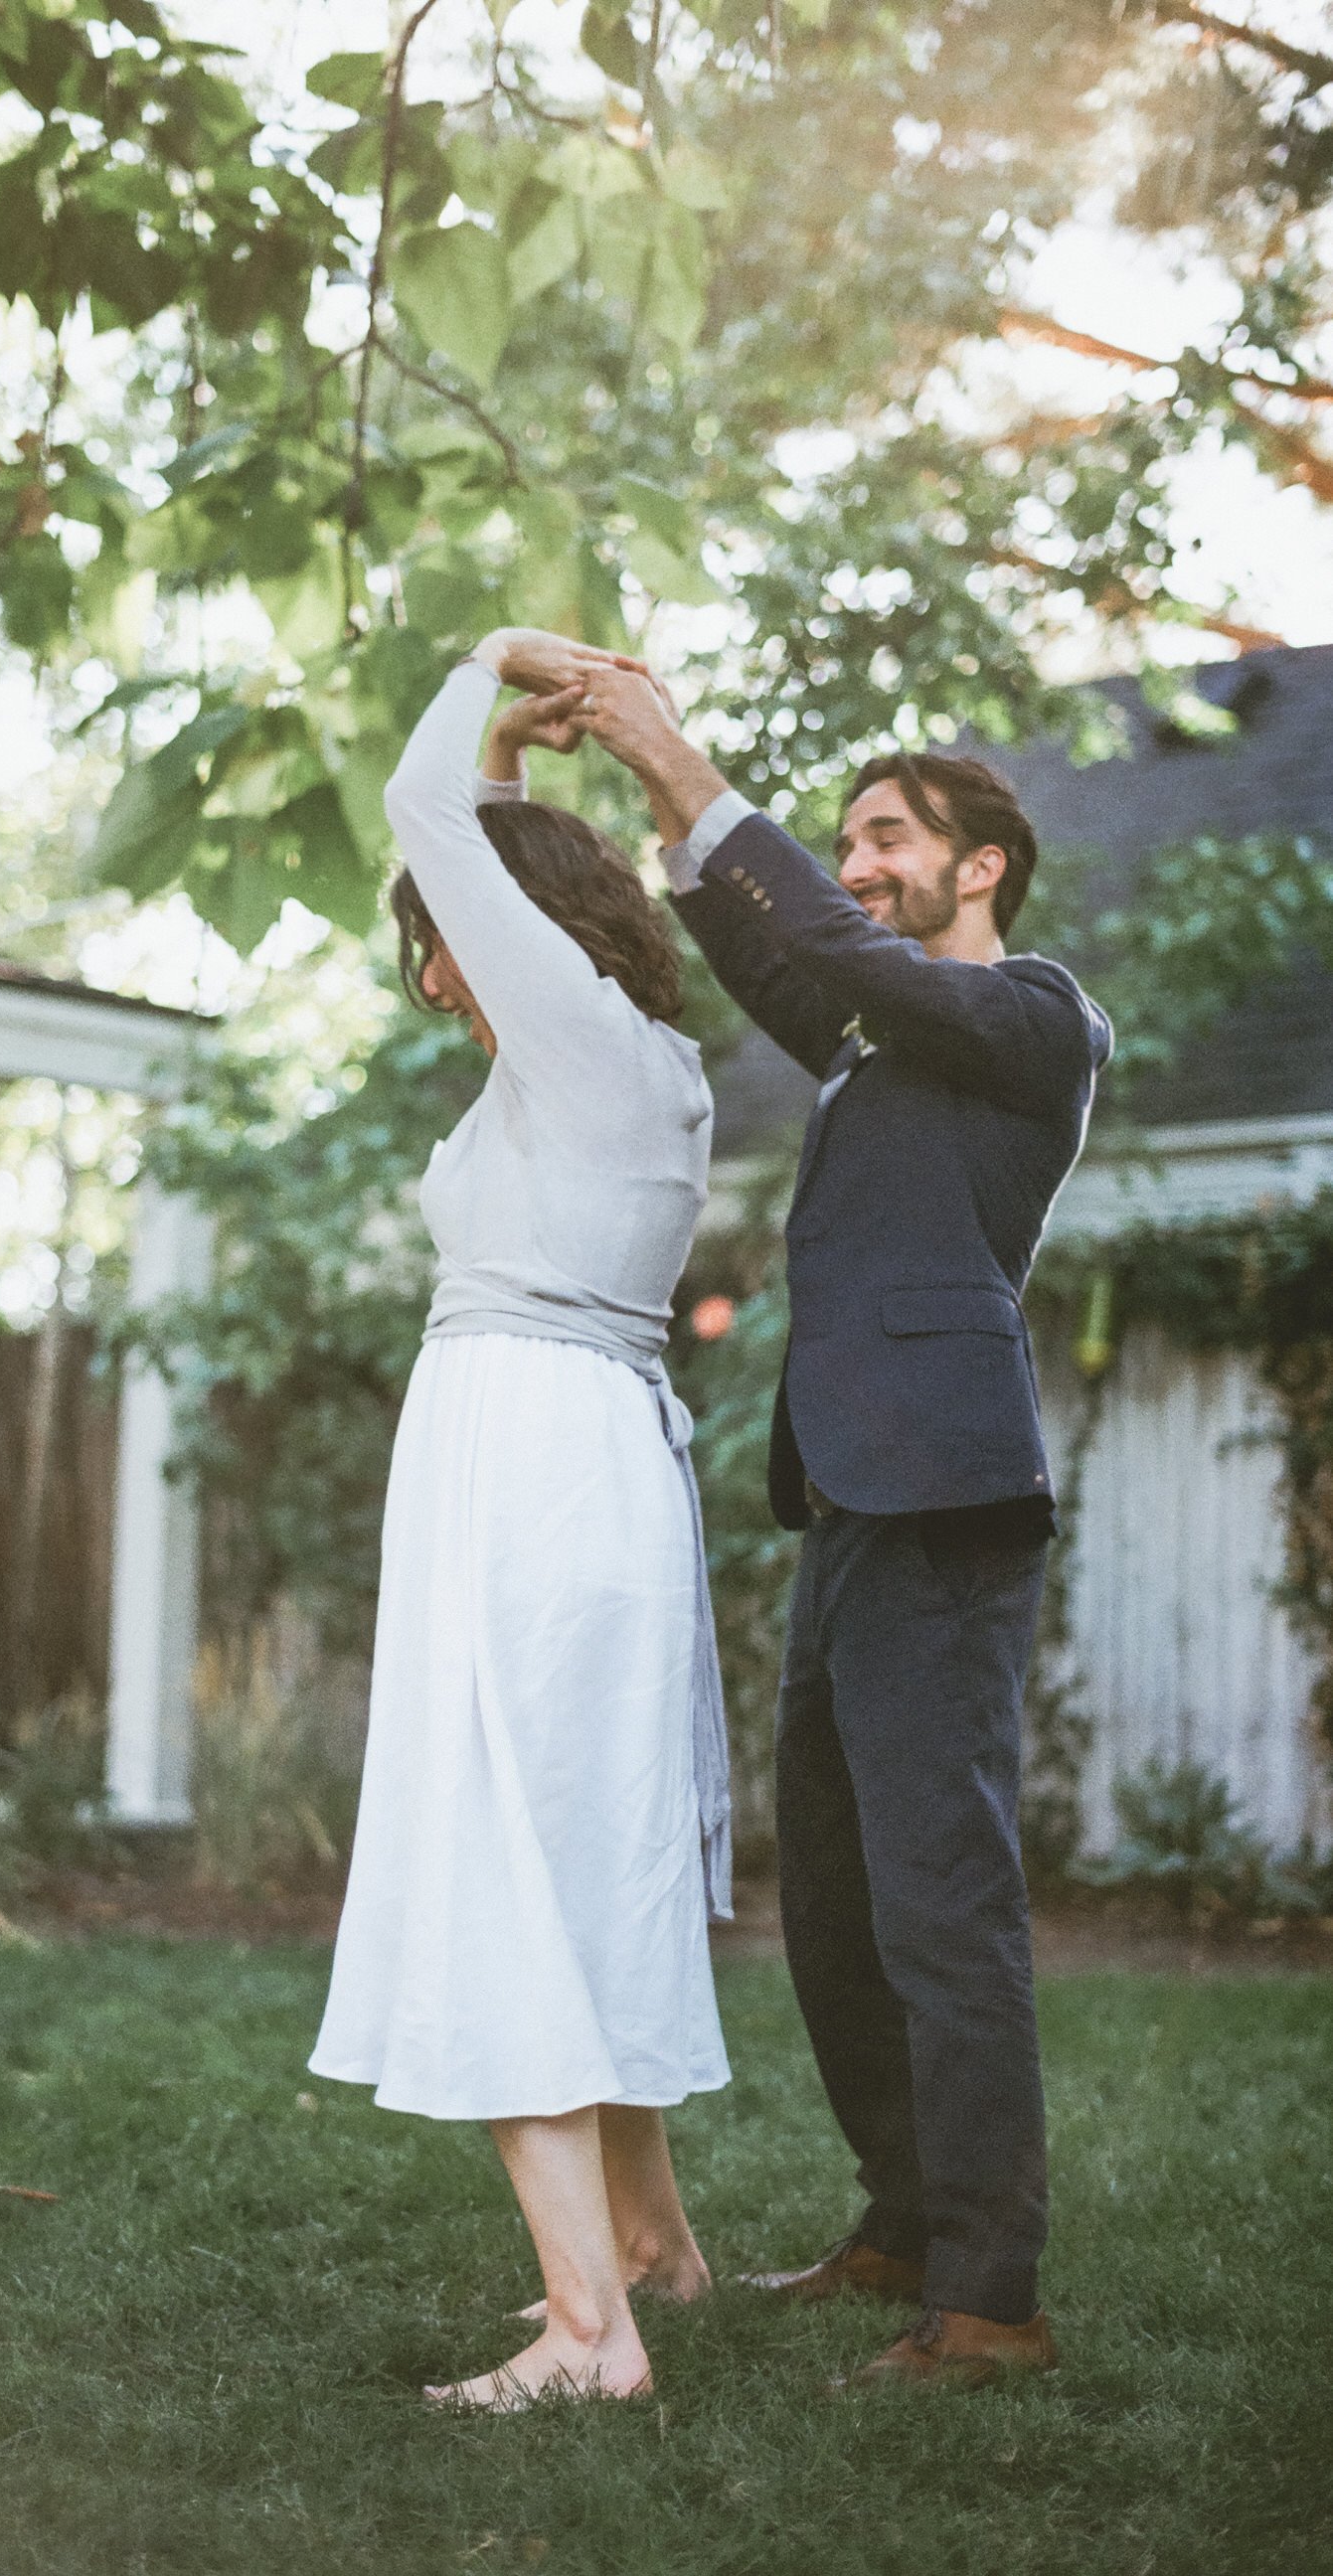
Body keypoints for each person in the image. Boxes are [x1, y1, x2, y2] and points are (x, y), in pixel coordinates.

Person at [576, 665, 1111, 2389]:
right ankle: (899, 2214)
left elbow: (846, 956)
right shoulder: (881, 1038)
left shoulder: (1032, 1018)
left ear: (983, 869)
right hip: (847, 1495)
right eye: (848, 838)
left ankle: (992, 2296)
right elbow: (786, 958)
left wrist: (686, 757)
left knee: (940, 1895)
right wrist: (675, 824)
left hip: (949, 1495)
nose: (858, 860)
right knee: (831, 1887)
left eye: (888, 837)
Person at [308, 628, 733, 2412]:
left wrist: (493, 663)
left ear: (513, 930)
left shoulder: (569, 1044)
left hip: (532, 1466)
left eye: (444, 942)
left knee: (498, 1849)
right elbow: (466, 830)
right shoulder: (623, 1055)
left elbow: (421, 807)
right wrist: (522, 766)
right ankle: (649, 2246)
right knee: (580, 1842)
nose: (437, 978)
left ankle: (587, 2333)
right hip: (586, 1456)